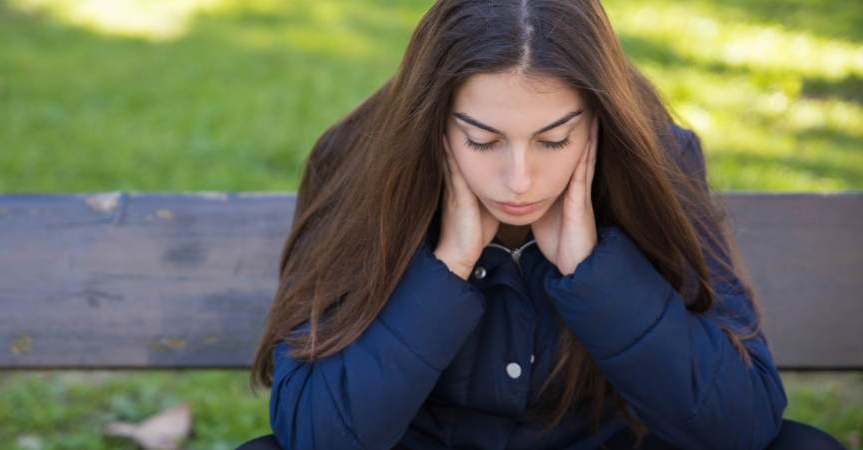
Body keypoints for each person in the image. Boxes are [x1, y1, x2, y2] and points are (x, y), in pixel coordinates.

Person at [239, 0, 846, 449]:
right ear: (434, 121)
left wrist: (597, 276)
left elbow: (745, 422)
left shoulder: (656, 163)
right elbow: (313, 434)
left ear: (598, 121)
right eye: (483, 141)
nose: (519, 180)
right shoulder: (358, 161)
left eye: (554, 140)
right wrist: (446, 269)